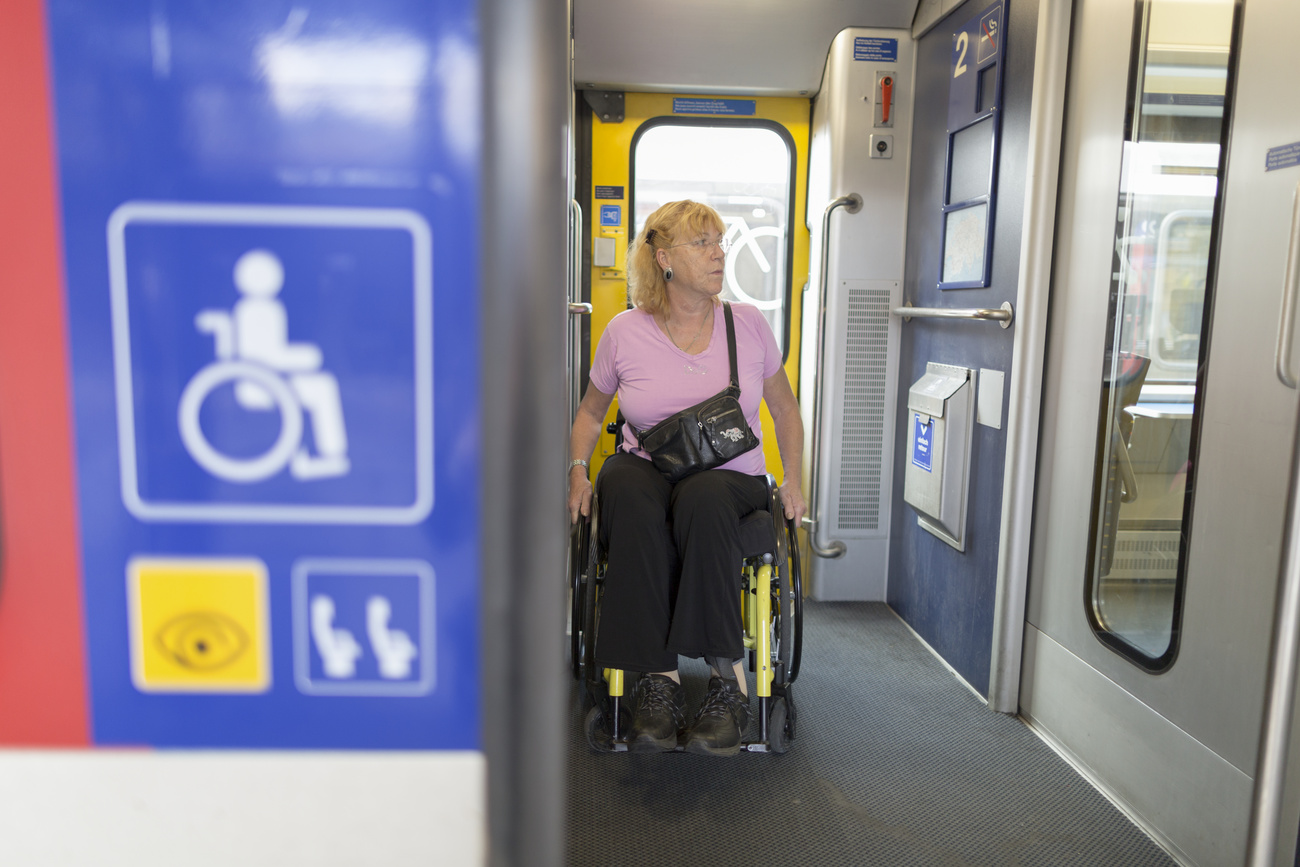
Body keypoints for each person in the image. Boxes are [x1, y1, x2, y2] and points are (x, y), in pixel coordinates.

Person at [568, 200, 806, 756]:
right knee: (622, 485)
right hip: (650, 467)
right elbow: (590, 414)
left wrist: (793, 479)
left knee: (703, 495)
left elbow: (785, 410)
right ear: (664, 258)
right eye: (703, 243)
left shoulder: (748, 324)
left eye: (720, 241)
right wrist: (578, 472)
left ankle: (729, 687)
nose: (719, 253)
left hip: (731, 480)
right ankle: (660, 685)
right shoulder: (624, 332)